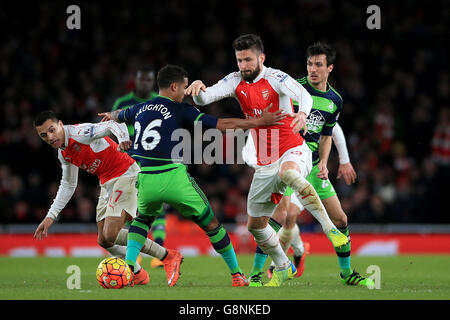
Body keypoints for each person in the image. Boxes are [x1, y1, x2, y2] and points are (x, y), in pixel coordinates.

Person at [98, 64, 286, 287]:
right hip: (173, 177)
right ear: (174, 86)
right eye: (185, 87)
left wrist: (110, 114)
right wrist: (257, 122)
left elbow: (120, 115)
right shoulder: (181, 109)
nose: (186, 92)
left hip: (146, 177)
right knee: (212, 225)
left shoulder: (139, 108)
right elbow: (221, 125)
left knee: (143, 220)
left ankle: (129, 269)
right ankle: (237, 275)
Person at [185, 34, 348, 287]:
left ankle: (330, 229)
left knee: (289, 174)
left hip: (294, 149)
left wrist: (303, 114)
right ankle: (283, 266)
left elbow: (303, 95)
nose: (243, 65)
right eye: (239, 60)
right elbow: (205, 99)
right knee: (256, 226)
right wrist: (197, 88)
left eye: (248, 59)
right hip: (265, 161)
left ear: (261, 58)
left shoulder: (277, 78)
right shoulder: (235, 80)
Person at [254, 42, 373, 287]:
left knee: (341, 219)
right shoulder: (292, 89)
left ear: (330, 68)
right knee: (280, 216)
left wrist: (326, 163)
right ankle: (256, 273)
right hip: (289, 161)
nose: (313, 69)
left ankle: (346, 273)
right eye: (310, 64)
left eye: (319, 64)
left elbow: (327, 134)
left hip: (314, 166)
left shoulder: (335, 100)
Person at [33, 110, 183, 287]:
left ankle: (167, 257)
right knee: (104, 240)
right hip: (107, 183)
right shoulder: (63, 153)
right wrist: (51, 216)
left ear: (60, 124)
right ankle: (137, 273)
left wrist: (123, 139)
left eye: (52, 130)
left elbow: (112, 124)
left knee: (111, 233)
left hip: (126, 174)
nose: (50, 137)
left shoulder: (80, 133)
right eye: (44, 135)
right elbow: (68, 185)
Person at [112, 66, 167, 268]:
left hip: (153, 160)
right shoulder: (122, 103)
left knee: (158, 206)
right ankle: (134, 252)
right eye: (141, 79)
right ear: (135, 80)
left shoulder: (159, 101)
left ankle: (158, 253)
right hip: (129, 163)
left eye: (148, 79)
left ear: (152, 81)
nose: (145, 82)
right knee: (131, 206)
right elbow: (114, 128)